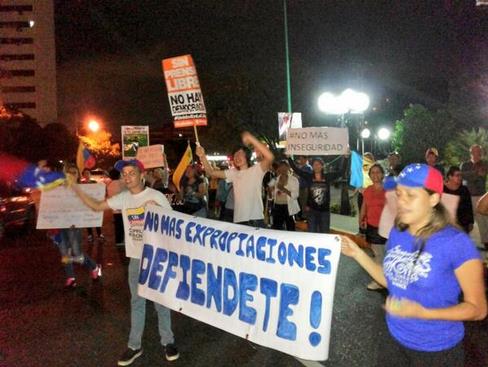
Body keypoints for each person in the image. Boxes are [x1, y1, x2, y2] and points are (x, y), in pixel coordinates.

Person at [341, 163, 487, 366]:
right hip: (393, 338)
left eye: (411, 195)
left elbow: (478, 309)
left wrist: (425, 313)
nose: (401, 202)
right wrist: (356, 253)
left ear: (434, 198)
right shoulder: (397, 232)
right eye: (399, 194)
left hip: (436, 350)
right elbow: (392, 280)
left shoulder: (455, 242)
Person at [68, 159, 179, 366]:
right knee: (137, 302)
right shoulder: (124, 198)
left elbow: (174, 226)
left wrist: (159, 211)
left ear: (142, 175)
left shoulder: (156, 196)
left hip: (156, 257)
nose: (127, 177)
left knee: (161, 302)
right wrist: (76, 189)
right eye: (124, 174)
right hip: (136, 259)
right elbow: (96, 206)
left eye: (131, 173)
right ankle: (134, 345)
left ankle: (168, 341)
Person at [196, 131, 274, 226]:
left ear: (247, 156)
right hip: (239, 221)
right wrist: (202, 156)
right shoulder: (233, 173)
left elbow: (269, 157)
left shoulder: (256, 170)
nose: (237, 157)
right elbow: (211, 172)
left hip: (255, 221)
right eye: (235, 155)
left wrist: (251, 139)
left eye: (240, 154)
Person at [59, 164, 101, 288]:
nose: (72, 174)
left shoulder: (83, 189)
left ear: (78, 175)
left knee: (77, 252)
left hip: (74, 225)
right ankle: (71, 278)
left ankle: (93, 266)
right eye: (69, 172)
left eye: (74, 172)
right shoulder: (60, 188)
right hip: (61, 224)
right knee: (64, 252)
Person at [288, 157, 340, 233]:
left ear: (322, 166)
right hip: (312, 210)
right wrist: (289, 158)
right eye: (314, 165)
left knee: (324, 233)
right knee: (312, 232)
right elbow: (296, 170)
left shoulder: (328, 177)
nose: (317, 166)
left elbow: (342, 172)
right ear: (312, 166)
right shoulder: (309, 176)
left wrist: (346, 158)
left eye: (318, 164)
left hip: (324, 211)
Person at [358, 163, 387, 291]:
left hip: (387, 228)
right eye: (372, 172)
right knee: (378, 255)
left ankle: (384, 280)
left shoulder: (389, 190)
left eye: (378, 172)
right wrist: (361, 220)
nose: (375, 174)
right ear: (369, 175)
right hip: (372, 227)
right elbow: (364, 206)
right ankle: (379, 281)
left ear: (382, 174)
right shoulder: (368, 190)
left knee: (385, 255)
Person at [461, 144, 488, 249]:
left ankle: (486, 242)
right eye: (474, 151)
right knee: (466, 220)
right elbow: (462, 175)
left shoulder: (485, 164)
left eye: (478, 151)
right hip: (468, 196)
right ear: (470, 152)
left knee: (484, 220)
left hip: (481, 196)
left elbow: (483, 173)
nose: (476, 153)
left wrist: (471, 175)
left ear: (481, 153)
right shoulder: (465, 164)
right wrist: (477, 173)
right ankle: (464, 243)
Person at [269, 160, 300, 231]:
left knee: (290, 228)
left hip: (288, 207)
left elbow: (296, 195)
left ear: (288, 167)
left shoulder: (293, 179)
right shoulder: (276, 179)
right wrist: (271, 191)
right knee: (277, 228)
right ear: (279, 168)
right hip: (277, 206)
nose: (283, 169)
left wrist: (284, 189)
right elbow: (270, 188)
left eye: (285, 166)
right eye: (281, 166)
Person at [443, 166, 474, 234]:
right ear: (450, 177)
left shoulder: (464, 189)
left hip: (463, 224)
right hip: (446, 225)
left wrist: (471, 222)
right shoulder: (442, 189)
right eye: (457, 175)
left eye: (461, 175)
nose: (460, 178)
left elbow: (469, 206)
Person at [81, 168, 105, 243]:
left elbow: (99, 192)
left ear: (90, 174)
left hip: (94, 204)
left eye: (88, 173)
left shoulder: (94, 182)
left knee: (96, 219)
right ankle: (90, 235)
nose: (87, 175)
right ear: (83, 175)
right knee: (88, 220)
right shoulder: (81, 184)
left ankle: (99, 234)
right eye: (85, 173)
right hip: (85, 205)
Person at [107, 168, 125, 246]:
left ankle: (118, 241)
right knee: (123, 225)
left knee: (117, 225)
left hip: (114, 209)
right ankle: (122, 240)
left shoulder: (109, 185)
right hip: (122, 208)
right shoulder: (121, 183)